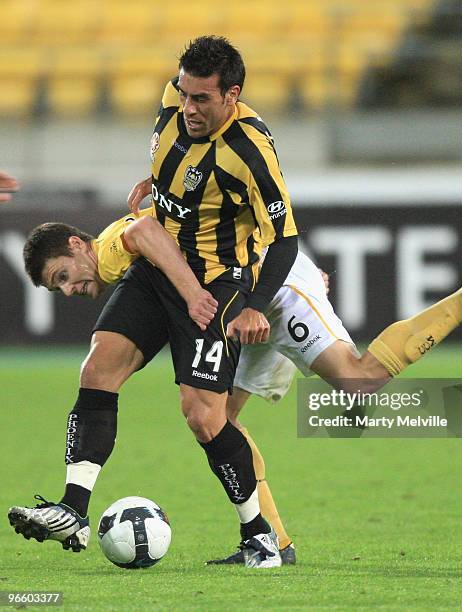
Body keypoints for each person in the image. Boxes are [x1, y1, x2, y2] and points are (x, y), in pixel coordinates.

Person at [11, 206, 462, 567]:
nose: (71, 289)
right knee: (218, 422)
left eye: (63, 275)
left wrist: (208, 293)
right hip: (239, 300)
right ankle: (271, 542)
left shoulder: (105, 249)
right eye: (58, 287)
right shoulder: (113, 252)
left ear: (78, 246)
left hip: (274, 293)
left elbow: (148, 230)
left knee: (357, 381)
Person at [9, 36, 299, 569]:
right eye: (184, 94)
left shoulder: (252, 155)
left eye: (202, 100)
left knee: (203, 416)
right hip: (161, 268)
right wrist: (161, 182)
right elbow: (176, 174)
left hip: (215, 282)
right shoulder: (174, 100)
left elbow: (284, 240)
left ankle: (260, 538)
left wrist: (255, 304)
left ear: (232, 95)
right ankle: (73, 508)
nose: (188, 107)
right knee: (97, 369)